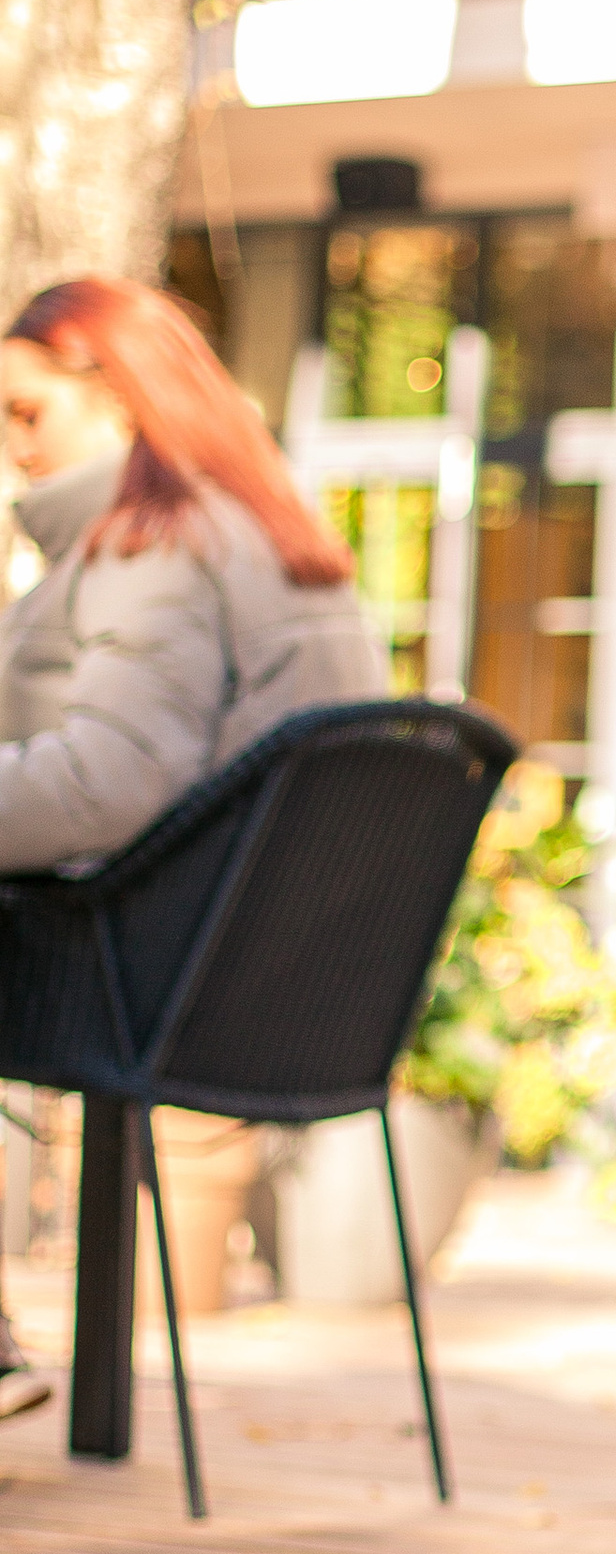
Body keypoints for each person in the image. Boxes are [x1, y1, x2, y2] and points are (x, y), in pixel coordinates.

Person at [0, 276, 386, 1418]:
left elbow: (102, 785)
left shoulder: (152, 546)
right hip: (294, 985)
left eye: (28, 415)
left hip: (158, 980)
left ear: (121, 404)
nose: (11, 448)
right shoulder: (271, 534)